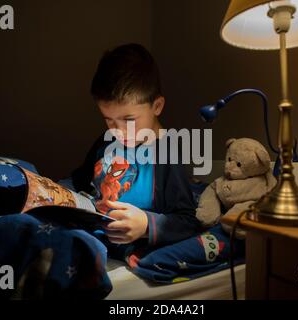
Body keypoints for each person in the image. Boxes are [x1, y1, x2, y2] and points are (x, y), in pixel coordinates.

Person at [70, 43, 201, 256]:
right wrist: (54, 192)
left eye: (128, 120)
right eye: (109, 120)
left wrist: (147, 225)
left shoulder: (166, 155)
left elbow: (187, 220)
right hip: (90, 231)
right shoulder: (106, 142)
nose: (119, 131)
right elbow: (79, 181)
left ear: (156, 106)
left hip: (115, 244)